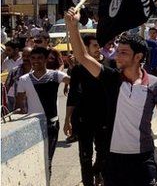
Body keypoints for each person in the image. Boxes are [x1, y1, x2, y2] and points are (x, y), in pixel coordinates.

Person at [65, 7, 157, 186]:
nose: (117, 56)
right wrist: (72, 26)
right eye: (118, 51)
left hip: (144, 158)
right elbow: (82, 57)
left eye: (123, 53)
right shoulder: (111, 79)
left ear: (138, 56)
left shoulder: (155, 84)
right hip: (113, 159)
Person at [16, 46, 71, 176]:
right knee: (35, 161)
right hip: (32, 126)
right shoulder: (24, 79)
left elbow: (74, 82)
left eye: (40, 58)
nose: (36, 61)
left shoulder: (55, 75)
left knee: (47, 160)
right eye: (33, 58)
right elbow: (20, 105)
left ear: (46, 59)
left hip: (51, 125)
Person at [64, 34, 109, 186]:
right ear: (86, 48)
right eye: (95, 46)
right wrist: (67, 120)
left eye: (99, 46)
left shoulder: (109, 66)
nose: (98, 49)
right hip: (84, 120)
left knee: (103, 154)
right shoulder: (78, 70)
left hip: (105, 119)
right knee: (85, 157)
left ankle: (97, 171)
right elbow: (72, 95)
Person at [5, 46, 31, 111]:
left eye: (28, 56)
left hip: (34, 108)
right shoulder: (14, 71)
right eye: (24, 56)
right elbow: (6, 88)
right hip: (19, 109)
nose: (25, 58)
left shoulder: (37, 71)